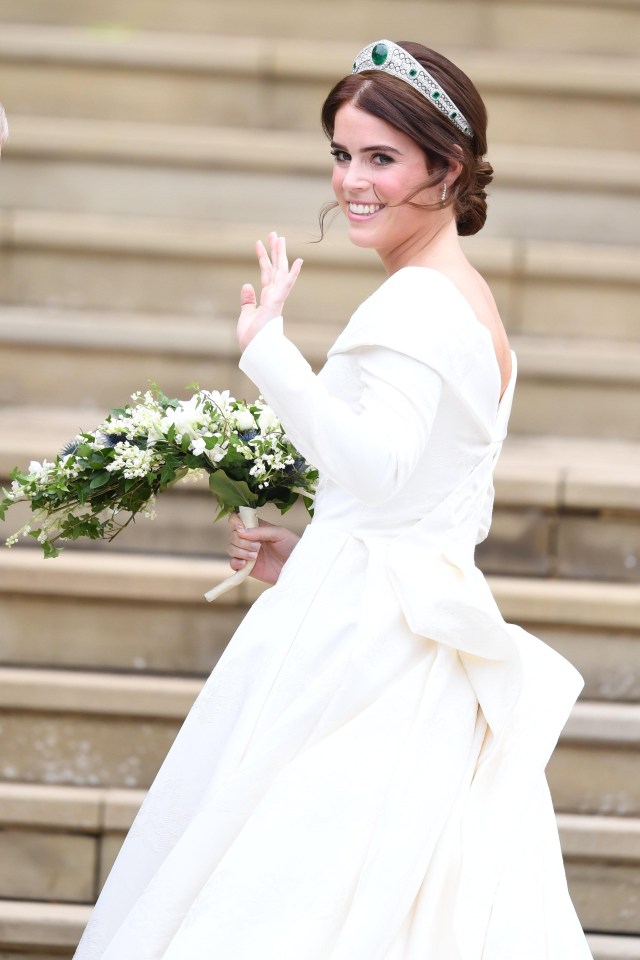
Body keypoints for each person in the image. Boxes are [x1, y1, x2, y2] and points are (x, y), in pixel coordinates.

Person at [74, 41, 593, 959]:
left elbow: (379, 469)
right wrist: (312, 548)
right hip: (408, 623)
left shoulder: (416, 305)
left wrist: (268, 350)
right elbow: (430, 500)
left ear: (449, 168)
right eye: (342, 154)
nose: (353, 180)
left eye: (382, 158)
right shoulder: (467, 300)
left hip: (364, 649)